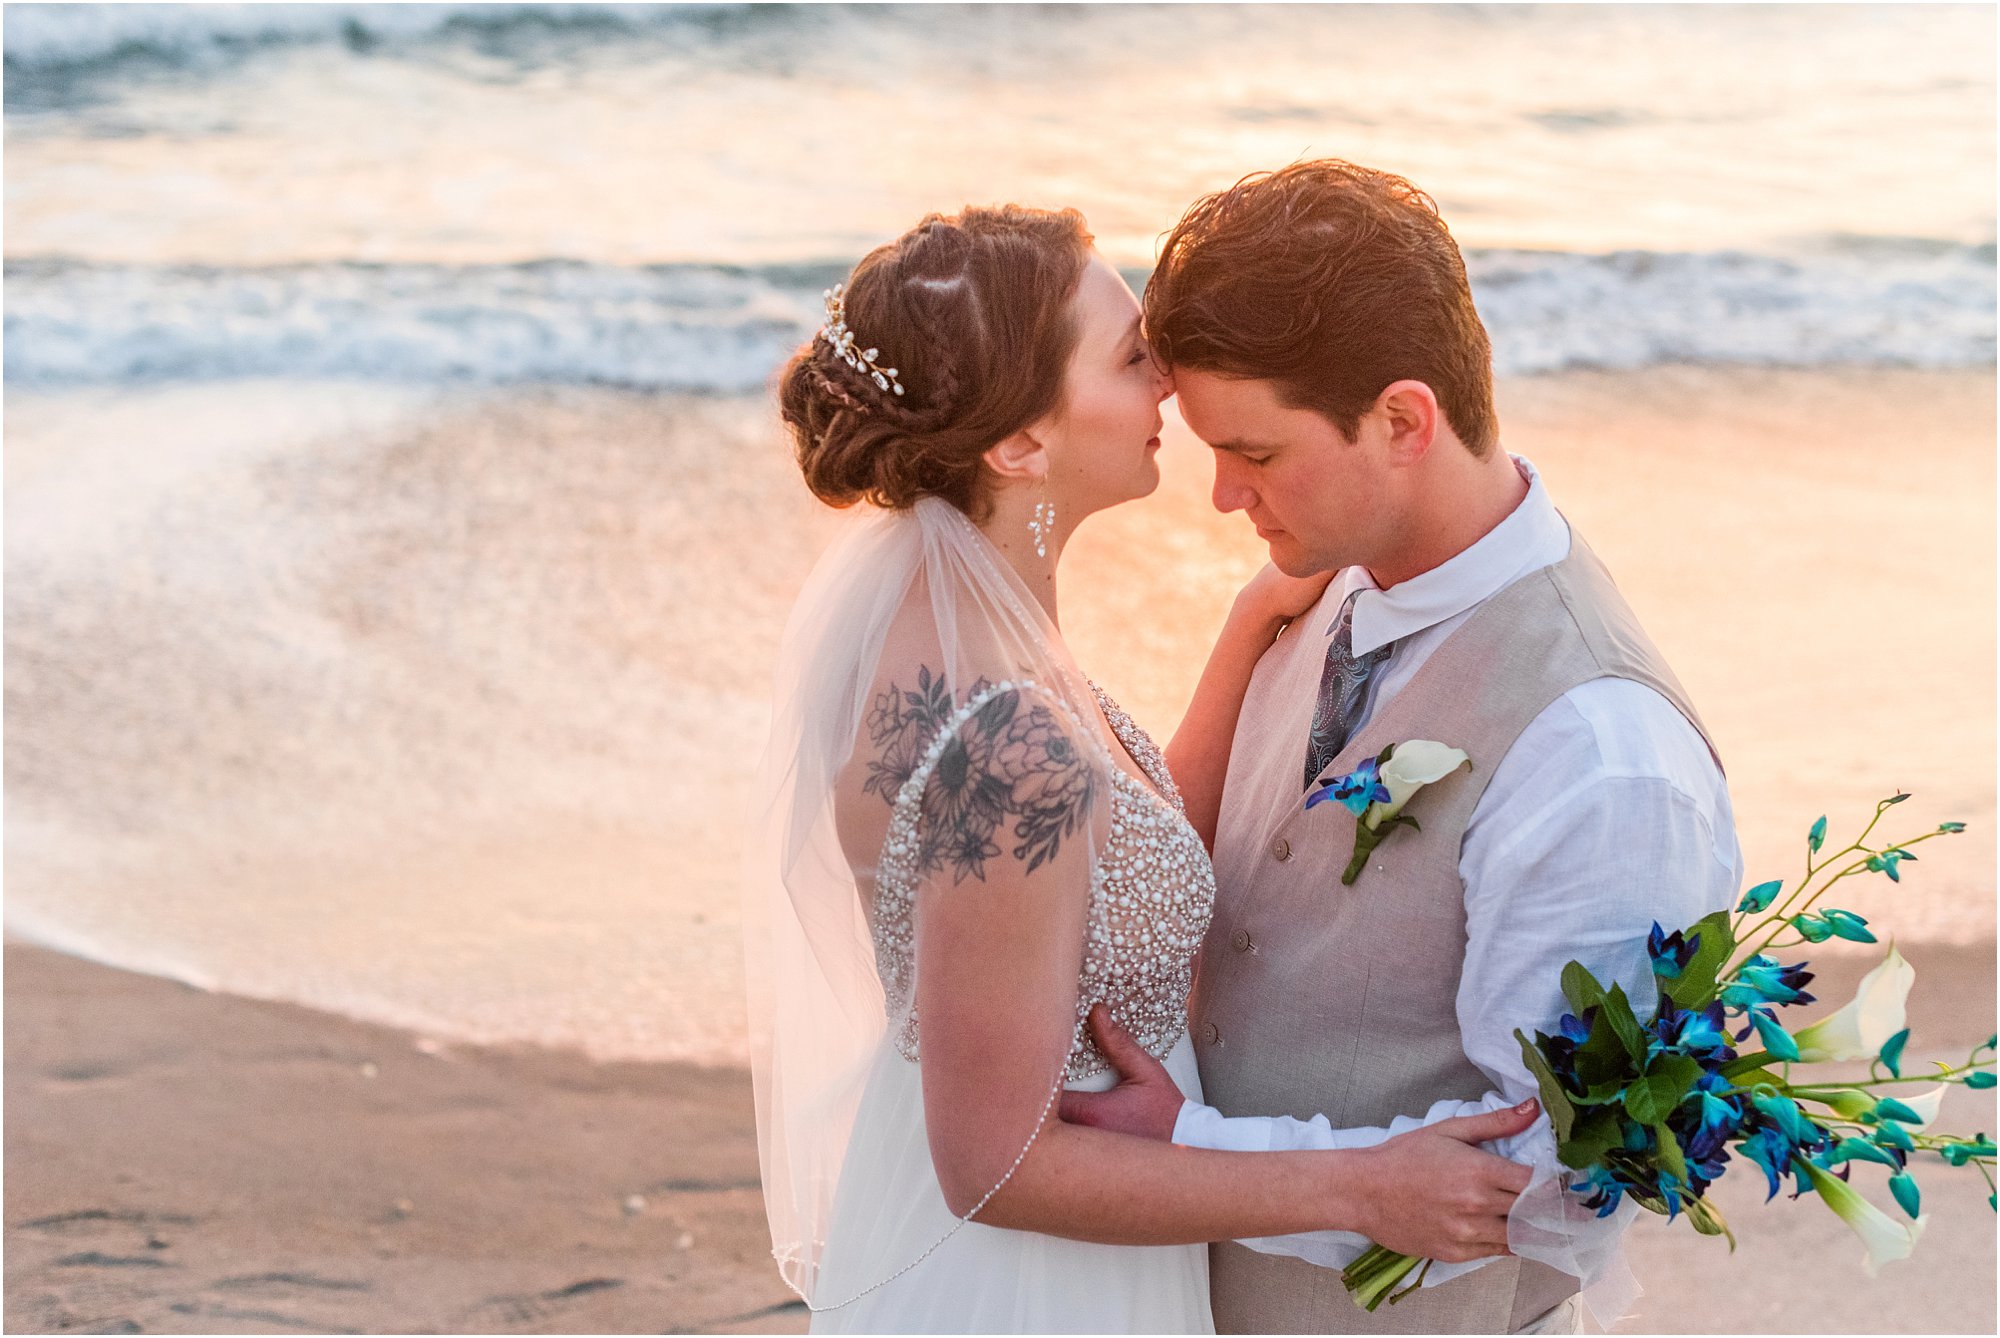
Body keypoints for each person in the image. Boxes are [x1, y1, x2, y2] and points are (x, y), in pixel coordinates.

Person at [745, 203, 1544, 1335]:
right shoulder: (1005, 747)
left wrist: (1240, 640)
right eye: (1129, 358)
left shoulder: (957, 640)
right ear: (1019, 444)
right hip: (1037, 1285)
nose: (1166, 380)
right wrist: (1364, 1185)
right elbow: (997, 1168)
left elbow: (1094, 872)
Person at [1061, 160, 1745, 1334]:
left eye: (1256, 453)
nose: (1221, 495)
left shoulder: (1599, 757)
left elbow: (1550, 1188)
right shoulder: (1321, 580)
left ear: (1399, 421)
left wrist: (1192, 1151)